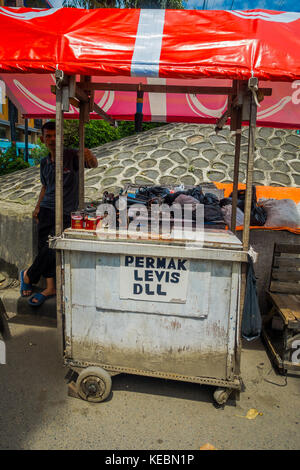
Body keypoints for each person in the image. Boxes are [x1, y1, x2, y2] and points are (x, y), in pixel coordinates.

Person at [20, 120, 98, 306]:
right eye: (48, 136)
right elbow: (45, 186)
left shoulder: (72, 156)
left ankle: (28, 275)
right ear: (42, 139)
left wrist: (90, 155)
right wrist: (38, 207)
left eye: (56, 135)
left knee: (53, 247)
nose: (52, 139)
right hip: (46, 210)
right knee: (44, 248)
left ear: (61, 138)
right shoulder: (44, 162)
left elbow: (92, 164)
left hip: (66, 211)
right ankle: (49, 288)